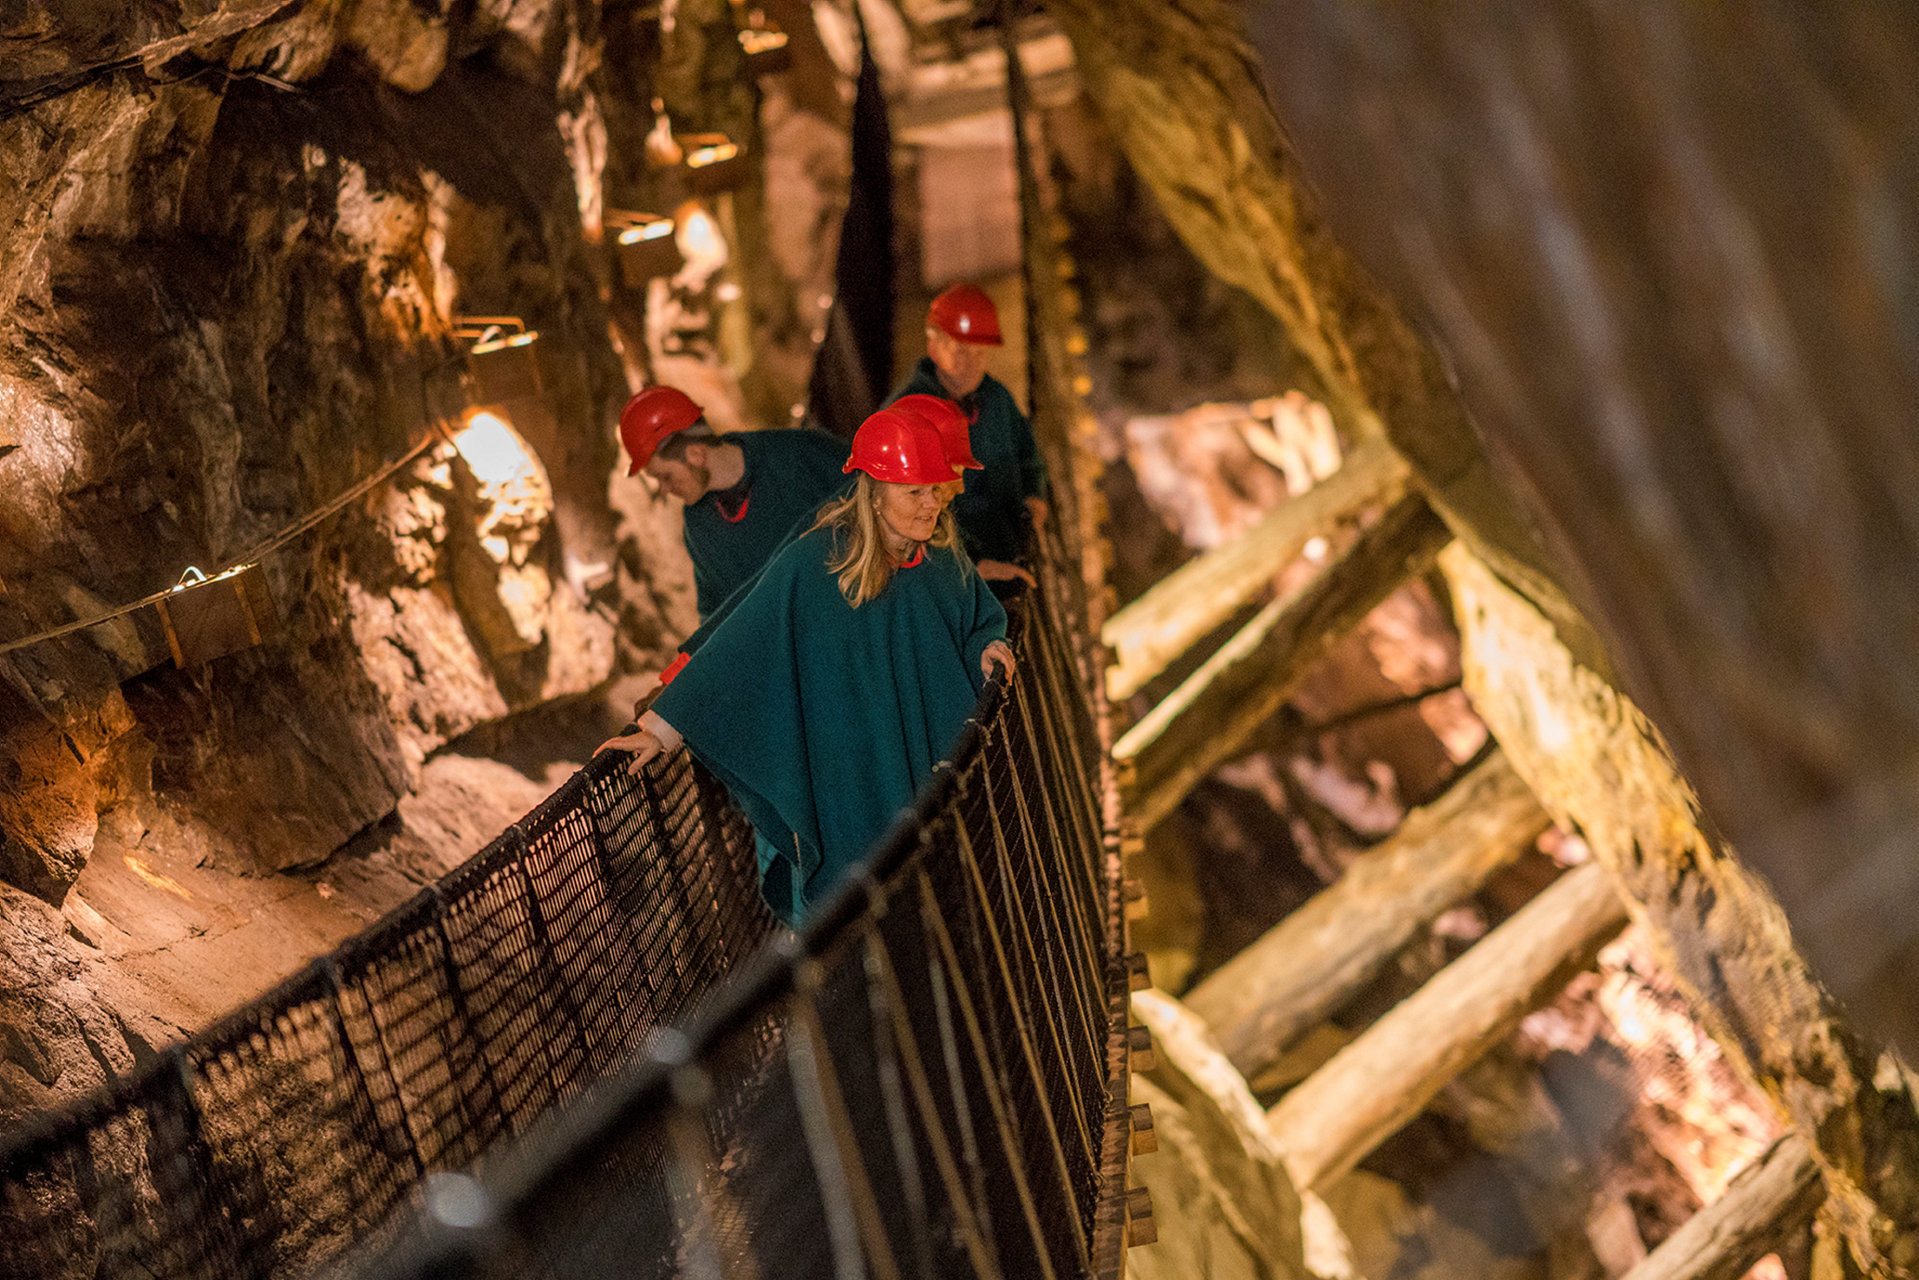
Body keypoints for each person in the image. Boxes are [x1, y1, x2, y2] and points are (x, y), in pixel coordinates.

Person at [596, 407, 1014, 925]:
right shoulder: (815, 563)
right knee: (868, 897)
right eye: (915, 492)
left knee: (946, 889)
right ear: (875, 490)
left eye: (933, 488)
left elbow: (976, 615)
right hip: (854, 760)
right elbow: (742, 638)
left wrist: (988, 645)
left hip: (930, 754)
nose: (932, 504)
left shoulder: (939, 551)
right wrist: (661, 729)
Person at [619, 385, 851, 619]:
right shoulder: (699, 525)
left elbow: (872, 494)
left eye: (665, 476)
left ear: (696, 455)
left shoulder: (796, 456)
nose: (665, 489)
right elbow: (715, 611)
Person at [887, 283, 1049, 587]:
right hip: (952, 580)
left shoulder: (995, 397)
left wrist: (1034, 494)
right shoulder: (908, 418)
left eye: (980, 352)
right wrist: (971, 562)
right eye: (960, 350)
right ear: (933, 345)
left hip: (1009, 555)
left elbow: (1027, 451)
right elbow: (901, 510)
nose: (971, 364)